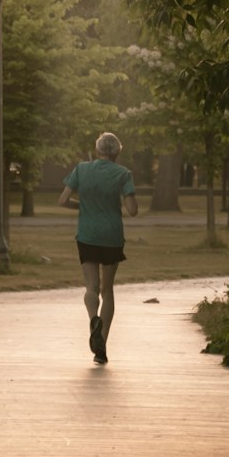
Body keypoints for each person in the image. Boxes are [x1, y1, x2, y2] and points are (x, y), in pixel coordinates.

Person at [58, 132, 138, 365]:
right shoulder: (123, 174)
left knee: (91, 287)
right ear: (117, 152)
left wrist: (82, 207)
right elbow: (132, 210)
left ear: (97, 149)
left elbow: (62, 200)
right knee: (108, 290)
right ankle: (101, 345)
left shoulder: (81, 170)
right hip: (112, 237)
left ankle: (93, 318)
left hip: (87, 236)